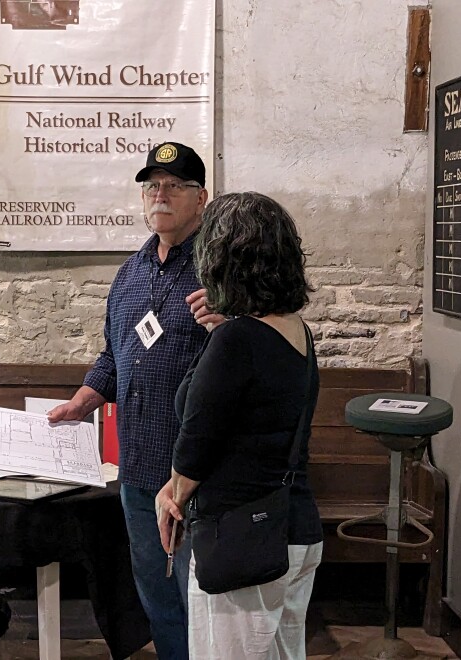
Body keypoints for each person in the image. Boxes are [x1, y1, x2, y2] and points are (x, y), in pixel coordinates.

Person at [48, 142, 223, 659]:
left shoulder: (219, 275)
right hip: (139, 468)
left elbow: (244, 360)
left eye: (174, 185)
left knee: (199, 594)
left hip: (194, 472)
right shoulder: (130, 274)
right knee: (155, 591)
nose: (160, 195)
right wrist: (84, 399)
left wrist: (232, 316)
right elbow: (114, 354)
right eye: (152, 186)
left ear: (201, 198)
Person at [155, 192, 324, 660]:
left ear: (220, 259)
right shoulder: (293, 330)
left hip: (241, 534)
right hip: (293, 527)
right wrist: (219, 329)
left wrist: (172, 496)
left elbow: (198, 439)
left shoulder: (238, 339)